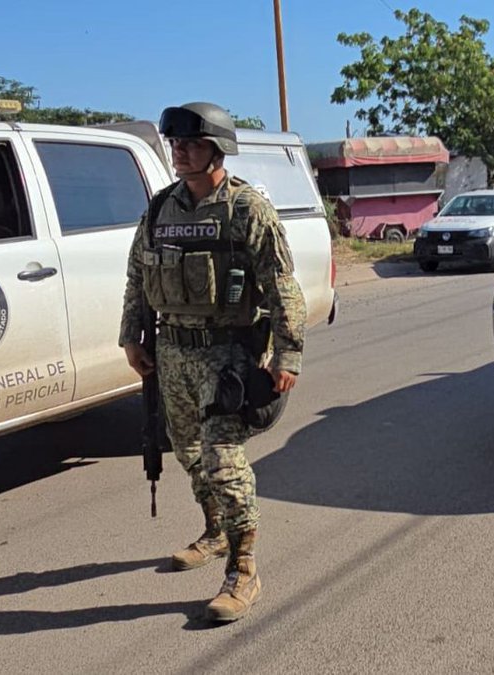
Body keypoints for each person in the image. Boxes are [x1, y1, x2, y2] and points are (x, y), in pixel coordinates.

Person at [119, 102, 306, 622]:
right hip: (171, 352)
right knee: (188, 454)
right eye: (175, 143)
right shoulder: (160, 209)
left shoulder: (247, 209)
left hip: (227, 352)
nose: (179, 151)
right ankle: (218, 530)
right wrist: (132, 337)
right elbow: (138, 274)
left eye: (191, 144)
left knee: (223, 457)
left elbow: (282, 286)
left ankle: (244, 571)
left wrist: (287, 352)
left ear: (217, 148)